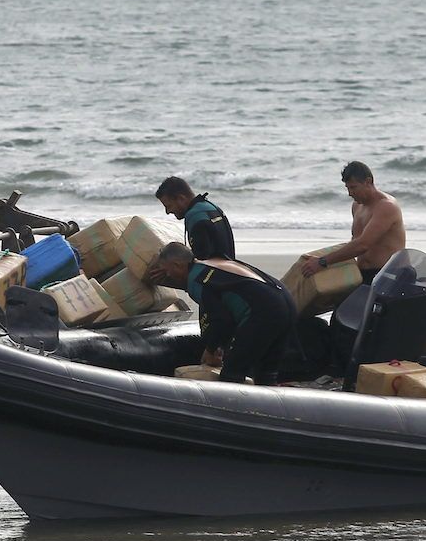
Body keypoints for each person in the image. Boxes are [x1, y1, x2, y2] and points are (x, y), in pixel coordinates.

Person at [155, 241, 297, 386]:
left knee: (232, 375)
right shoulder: (212, 262)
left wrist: (210, 350)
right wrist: (220, 346)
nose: (168, 276)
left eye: (167, 271)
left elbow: (221, 319)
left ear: (178, 265)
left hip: (263, 313)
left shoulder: (196, 280)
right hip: (286, 303)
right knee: (266, 374)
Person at [300, 161, 406, 286]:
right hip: (362, 273)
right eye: (348, 188)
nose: (350, 193)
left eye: (354, 187)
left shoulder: (386, 207)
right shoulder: (357, 206)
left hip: (388, 275)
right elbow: (354, 242)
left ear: (368, 182)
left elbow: (363, 244)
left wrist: (322, 262)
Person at [154, 176, 236, 260]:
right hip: (231, 268)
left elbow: (201, 260)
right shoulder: (211, 207)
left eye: (168, 206)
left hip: (215, 271)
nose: (167, 212)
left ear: (181, 198)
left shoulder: (195, 217)